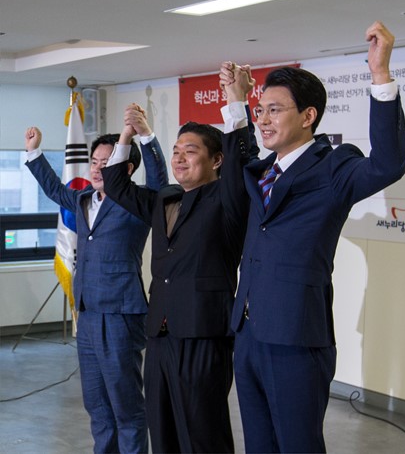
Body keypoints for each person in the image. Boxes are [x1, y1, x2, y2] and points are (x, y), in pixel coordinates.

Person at [227, 20, 405, 453]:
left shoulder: (334, 167)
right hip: (248, 333)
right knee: (259, 446)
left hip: (295, 338)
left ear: (308, 116)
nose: (263, 119)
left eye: (275, 110)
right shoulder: (261, 172)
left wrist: (380, 75)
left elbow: (387, 164)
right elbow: (238, 164)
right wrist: (236, 102)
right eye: (260, 110)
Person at [100, 65, 258, 453]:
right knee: (163, 429)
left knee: (203, 434)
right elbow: (116, 184)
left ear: (216, 160)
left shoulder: (229, 198)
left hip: (203, 331)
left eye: (190, 151)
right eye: (176, 151)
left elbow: (242, 161)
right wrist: (127, 135)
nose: (179, 158)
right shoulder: (165, 198)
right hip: (160, 334)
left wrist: (236, 101)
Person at [24, 106, 168, 454]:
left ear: (126, 168)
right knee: (97, 405)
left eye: (106, 162)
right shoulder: (83, 198)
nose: (98, 168)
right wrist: (34, 152)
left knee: (126, 405)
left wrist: (145, 136)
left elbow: (160, 184)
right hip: (87, 315)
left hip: (120, 314)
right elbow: (54, 189)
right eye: (94, 162)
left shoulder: (137, 203)